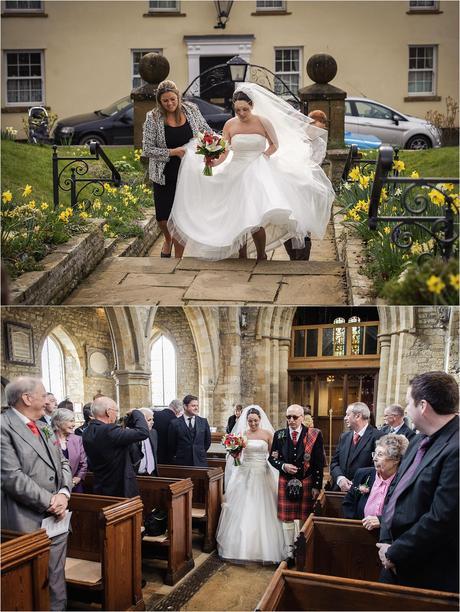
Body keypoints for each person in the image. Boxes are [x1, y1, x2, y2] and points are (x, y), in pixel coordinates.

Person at [167, 82, 335, 261]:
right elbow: (225, 151)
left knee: (254, 214)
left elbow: (274, 144)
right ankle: (242, 253)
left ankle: (261, 254)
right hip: (236, 169)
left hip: (257, 168)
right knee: (237, 213)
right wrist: (213, 163)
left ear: (252, 106)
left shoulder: (263, 122)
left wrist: (265, 156)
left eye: (245, 109)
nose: (241, 114)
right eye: (237, 110)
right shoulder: (230, 125)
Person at [377, 371, 459, 593]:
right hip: (392, 558)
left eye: (407, 403)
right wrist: (385, 540)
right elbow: (395, 490)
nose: (406, 410)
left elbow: (442, 517)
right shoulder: (419, 439)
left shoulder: (456, 448)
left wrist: (395, 552)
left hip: (426, 570)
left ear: (423, 406)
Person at [1, 377, 72, 610]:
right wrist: (49, 500)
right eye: (43, 396)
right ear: (27, 398)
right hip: (25, 519)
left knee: (56, 575)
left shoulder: (43, 426)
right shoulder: (3, 427)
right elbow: (11, 476)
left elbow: (63, 462)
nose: (48, 401)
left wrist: (63, 493)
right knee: (29, 583)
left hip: (57, 518)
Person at [142, 79, 212, 258]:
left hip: (189, 172)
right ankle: (167, 239)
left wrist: (214, 146)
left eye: (172, 99)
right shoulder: (153, 117)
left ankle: (178, 262)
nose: (170, 103)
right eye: (165, 101)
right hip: (164, 173)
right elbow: (147, 149)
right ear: (160, 101)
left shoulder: (192, 110)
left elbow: (206, 131)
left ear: (178, 97)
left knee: (181, 217)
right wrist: (173, 152)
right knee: (163, 219)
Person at [216, 405, 285, 563]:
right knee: (243, 507)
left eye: (255, 420)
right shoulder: (241, 435)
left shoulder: (268, 434)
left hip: (262, 472)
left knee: (262, 507)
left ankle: (265, 550)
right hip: (244, 473)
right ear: (246, 421)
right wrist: (235, 454)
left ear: (260, 420)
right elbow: (236, 457)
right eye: (250, 421)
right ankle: (240, 549)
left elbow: (273, 456)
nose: (253, 423)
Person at [268, 404, 325, 559]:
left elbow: (318, 462)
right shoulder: (279, 435)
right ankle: (289, 550)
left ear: (302, 417)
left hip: (306, 480)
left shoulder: (314, 434)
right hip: (285, 481)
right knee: (287, 517)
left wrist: (316, 485)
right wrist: (283, 466)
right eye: (288, 417)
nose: (291, 420)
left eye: (294, 417)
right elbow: (272, 459)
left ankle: (302, 546)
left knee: (304, 515)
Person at [82, 396, 149, 497]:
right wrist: (136, 412)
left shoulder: (87, 431)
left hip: (101, 486)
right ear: (108, 412)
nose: (117, 415)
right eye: (116, 411)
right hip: (120, 489)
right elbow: (143, 432)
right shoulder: (109, 431)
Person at [342, 434, 409, 528]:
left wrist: (382, 521)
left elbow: (405, 515)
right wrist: (356, 527)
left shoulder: (404, 483)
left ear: (396, 460)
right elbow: (348, 503)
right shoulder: (363, 474)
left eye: (380, 455)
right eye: (375, 454)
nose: (374, 458)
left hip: (388, 536)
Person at [330, 402, 383, 492]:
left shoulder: (379, 437)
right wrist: (340, 479)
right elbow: (334, 462)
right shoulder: (344, 436)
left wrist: (353, 484)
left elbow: (377, 467)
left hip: (363, 492)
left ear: (358, 416)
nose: (345, 418)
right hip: (339, 491)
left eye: (347, 415)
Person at [168, 394, 211, 467]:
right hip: (182, 462)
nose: (196, 408)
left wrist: (198, 451)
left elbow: (207, 441)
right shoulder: (174, 423)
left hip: (200, 461)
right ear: (185, 406)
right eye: (193, 406)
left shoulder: (203, 422)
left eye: (197, 406)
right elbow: (172, 444)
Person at [51, 407, 88, 493]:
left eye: (73, 421)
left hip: (75, 486)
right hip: (54, 487)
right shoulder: (48, 439)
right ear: (58, 422)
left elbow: (83, 464)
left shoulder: (77, 439)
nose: (74, 424)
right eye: (70, 421)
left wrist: (76, 480)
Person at [153, 398, 183, 464]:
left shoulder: (154, 415)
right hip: (167, 456)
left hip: (153, 454)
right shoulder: (176, 421)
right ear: (178, 410)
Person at [135, 407, 159, 476]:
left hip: (152, 473)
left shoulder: (153, 432)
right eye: (149, 420)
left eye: (152, 419)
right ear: (140, 421)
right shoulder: (132, 435)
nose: (152, 422)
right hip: (137, 475)